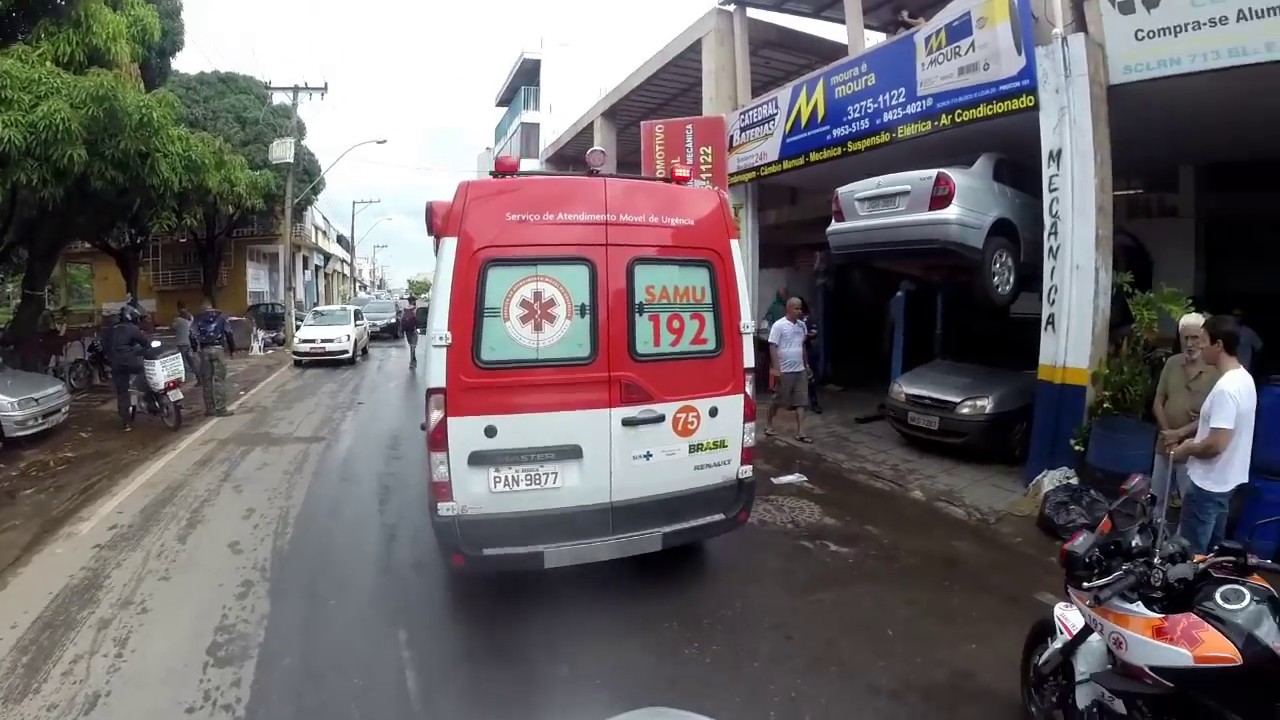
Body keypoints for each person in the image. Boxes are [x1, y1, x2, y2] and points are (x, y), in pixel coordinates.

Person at [1171, 315, 1257, 555]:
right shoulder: (1244, 379)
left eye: (1204, 340)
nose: (1199, 346)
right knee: (1212, 554)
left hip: (1207, 486)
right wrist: (1187, 435)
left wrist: (1186, 449)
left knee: (1190, 555)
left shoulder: (1226, 390)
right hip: (1225, 483)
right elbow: (1222, 429)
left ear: (1218, 345)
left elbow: (1216, 444)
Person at [1152, 312, 1219, 509]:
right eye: (1186, 338)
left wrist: (1179, 434)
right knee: (1156, 499)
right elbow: (1158, 401)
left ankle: (1180, 540)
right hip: (1164, 445)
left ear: (1204, 339)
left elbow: (1212, 415)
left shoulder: (1214, 370)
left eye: (1195, 338)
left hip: (1193, 449)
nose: (1190, 344)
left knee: (1189, 504)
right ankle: (1154, 537)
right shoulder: (1172, 363)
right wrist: (1168, 434)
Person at [764, 297, 812, 443]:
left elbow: (802, 346)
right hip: (785, 370)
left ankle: (800, 432)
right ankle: (768, 425)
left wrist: (807, 365)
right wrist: (776, 368)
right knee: (778, 399)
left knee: (801, 401)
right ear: (789, 309)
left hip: (800, 370)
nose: (799, 311)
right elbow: (772, 346)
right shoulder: (779, 326)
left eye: (800, 308)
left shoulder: (802, 326)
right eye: (796, 308)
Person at [108, 305, 148, 432]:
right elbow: (146, 343)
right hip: (131, 362)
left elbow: (105, 346)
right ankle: (147, 400)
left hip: (115, 364)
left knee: (122, 393)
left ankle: (125, 423)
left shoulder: (112, 330)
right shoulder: (132, 329)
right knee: (146, 373)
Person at [193, 300, 234, 417]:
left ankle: (210, 409)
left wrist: (196, 348)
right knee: (219, 380)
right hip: (218, 349)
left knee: (207, 380)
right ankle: (221, 409)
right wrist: (232, 350)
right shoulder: (221, 318)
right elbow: (229, 334)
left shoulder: (198, 319)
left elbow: (192, 334)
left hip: (204, 350)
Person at [797, 297, 821, 414]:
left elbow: (814, 332)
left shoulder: (808, 318)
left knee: (810, 378)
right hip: (795, 353)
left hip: (808, 350)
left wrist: (805, 336)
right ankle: (796, 403)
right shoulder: (791, 320)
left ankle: (814, 402)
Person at [172, 301, 199, 385]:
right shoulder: (190, 318)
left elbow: (173, 327)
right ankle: (199, 378)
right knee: (191, 361)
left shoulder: (178, 319)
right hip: (188, 342)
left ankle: (185, 379)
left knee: (183, 362)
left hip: (181, 343)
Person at [1231, 309, 1263, 375]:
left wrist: (1253, 365)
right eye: (1234, 315)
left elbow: (1259, 347)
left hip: (1244, 369)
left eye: (1238, 315)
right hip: (1229, 369)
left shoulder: (1248, 332)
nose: (1236, 318)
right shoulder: (1226, 331)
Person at [401, 296, 420, 368]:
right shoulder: (416, 309)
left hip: (407, 330)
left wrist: (402, 330)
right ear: (413, 301)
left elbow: (402, 319)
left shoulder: (405, 309)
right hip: (414, 329)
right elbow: (418, 319)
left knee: (411, 345)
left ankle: (413, 359)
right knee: (413, 345)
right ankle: (412, 362)